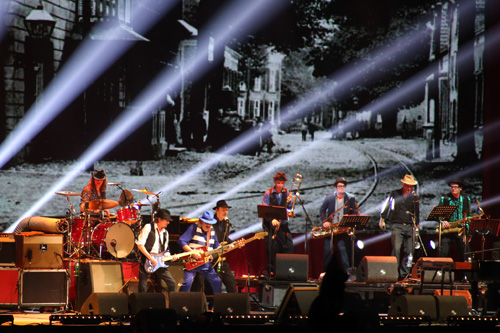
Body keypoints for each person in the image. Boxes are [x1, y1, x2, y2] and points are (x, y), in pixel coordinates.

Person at [191, 200, 244, 293]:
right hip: (209, 256)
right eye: (223, 209)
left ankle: (234, 304)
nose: (225, 212)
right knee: (200, 279)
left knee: (230, 281)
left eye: (227, 210)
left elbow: (226, 240)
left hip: (220, 257)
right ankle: (192, 300)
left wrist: (235, 244)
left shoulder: (226, 224)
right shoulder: (210, 222)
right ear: (217, 210)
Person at [379, 174, 420, 280]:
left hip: (410, 226)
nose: (409, 188)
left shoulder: (414, 197)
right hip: (397, 225)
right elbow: (387, 205)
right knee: (396, 248)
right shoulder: (395, 194)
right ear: (403, 184)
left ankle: (404, 273)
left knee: (410, 251)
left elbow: (417, 212)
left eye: (411, 186)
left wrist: (417, 225)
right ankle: (393, 272)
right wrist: (382, 219)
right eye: (407, 186)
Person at [319, 177, 358, 273]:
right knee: (328, 250)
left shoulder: (350, 198)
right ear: (336, 187)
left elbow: (355, 212)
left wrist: (349, 219)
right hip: (331, 228)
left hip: (343, 228)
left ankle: (347, 272)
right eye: (339, 186)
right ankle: (326, 272)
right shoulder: (329, 197)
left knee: (343, 249)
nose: (341, 188)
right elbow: (322, 210)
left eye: (343, 186)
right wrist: (325, 222)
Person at [177, 211, 222, 293]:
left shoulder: (212, 231)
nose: (208, 225)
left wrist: (228, 247)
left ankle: (217, 304)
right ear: (201, 221)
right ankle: (181, 302)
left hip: (204, 263)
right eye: (206, 223)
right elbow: (182, 241)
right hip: (192, 261)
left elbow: (216, 246)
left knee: (216, 281)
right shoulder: (194, 227)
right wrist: (192, 252)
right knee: (187, 282)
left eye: (210, 223)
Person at [135, 208, 178, 294]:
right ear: (159, 219)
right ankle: (140, 305)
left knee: (172, 284)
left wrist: (171, 257)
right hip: (147, 260)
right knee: (143, 287)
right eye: (166, 220)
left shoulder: (165, 233)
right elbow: (140, 245)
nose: (168, 222)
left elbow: (165, 250)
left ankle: (171, 305)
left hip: (160, 261)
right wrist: (150, 258)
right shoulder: (148, 227)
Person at [261, 172, 294, 275]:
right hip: (270, 225)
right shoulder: (268, 193)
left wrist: (289, 202)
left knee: (289, 246)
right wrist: (272, 220)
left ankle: (285, 270)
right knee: (272, 247)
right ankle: (273, 271)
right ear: (275, 182)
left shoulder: (287, 192)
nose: (280, 185)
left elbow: (289, 209)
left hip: (283, 225)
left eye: (282, 183)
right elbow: (264, 210)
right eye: (278, 182)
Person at [437, 179, 472, 262]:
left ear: (460, 188)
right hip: (448, 229)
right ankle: (440, 271)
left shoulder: (466, 199)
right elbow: (438, 214)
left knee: (466, 252)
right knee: (443, 251)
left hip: (460, 229)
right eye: (452, 187)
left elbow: (469, 215)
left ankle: (468, 274)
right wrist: (442, 221)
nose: (453, 189)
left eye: (455, 187)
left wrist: (468, 231)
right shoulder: (444, 199)